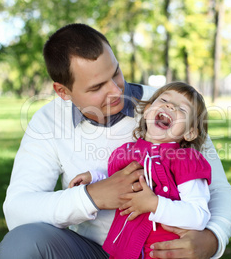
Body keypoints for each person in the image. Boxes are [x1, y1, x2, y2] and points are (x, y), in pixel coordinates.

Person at [0, 23, 231, 259]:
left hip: (158, 249)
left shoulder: (166, 107)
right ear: (63, 91)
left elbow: (218, 188)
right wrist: (92, 196)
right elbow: (17, 210)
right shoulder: (48, 120)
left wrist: (213, 239)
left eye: (116, 73)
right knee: (21, 245)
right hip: (91, 249)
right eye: (97, 86)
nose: (115, 90)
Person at [69, 82, 212, 258]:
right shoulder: (126, 152)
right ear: (147, 112)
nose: (170, 106)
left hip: (163, 251)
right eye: (164, 100)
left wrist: (154, 204)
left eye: (182, 109)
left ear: (190, 133)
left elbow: (199, 216)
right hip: (124, 249)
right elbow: (117, 181)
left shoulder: (186, 160)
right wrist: (94, 178)